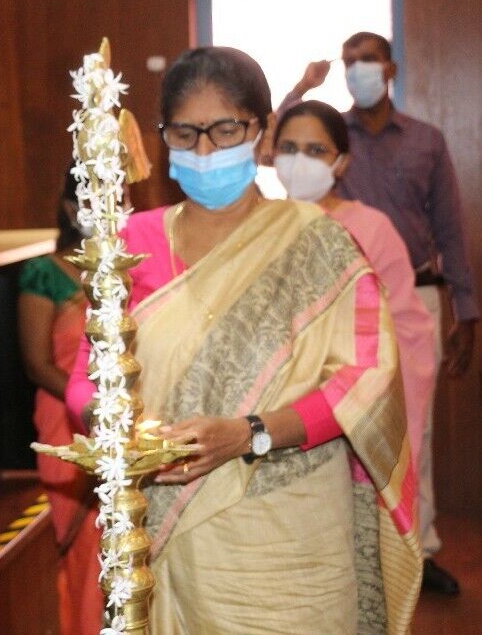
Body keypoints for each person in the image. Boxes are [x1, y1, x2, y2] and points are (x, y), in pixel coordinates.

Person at [66, 46, 421, 633]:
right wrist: (120, 434)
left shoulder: (318, 243)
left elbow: (366, 379)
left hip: (290, 542)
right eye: (185, 133)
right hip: (167, 538)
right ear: (164, 139)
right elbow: (88, 372)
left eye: (226, 130)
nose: (205, 151)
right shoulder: (130, 244)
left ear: (262, 131)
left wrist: (250, 433)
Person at [282, 31, 478, 595]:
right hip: (327, 319)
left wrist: (466, 311)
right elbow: (273, 145)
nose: (356, 69)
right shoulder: (325, 133)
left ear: (389, 68)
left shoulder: (425, 140)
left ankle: (417, 548)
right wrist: (301, 87)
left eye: (366, 60)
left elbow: (450, 226)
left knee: (414, 433)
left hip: (411, 294)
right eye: (348, 61)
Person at [273, 98, 435, 475]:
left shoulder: (372, 228)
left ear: (342, 162)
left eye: (316, 150)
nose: (300, 161)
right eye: (288, 148)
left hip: (357, 401)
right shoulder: (262, 227)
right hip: (277, 410)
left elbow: (404, 327)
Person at [18, 168, 103, 635]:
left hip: (122, 419)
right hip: (67, 423)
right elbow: (36, 364)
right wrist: (89, 407)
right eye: (96, 199)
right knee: (85, 552)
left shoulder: (128, 269)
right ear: (71, 209)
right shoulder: (44, 274)